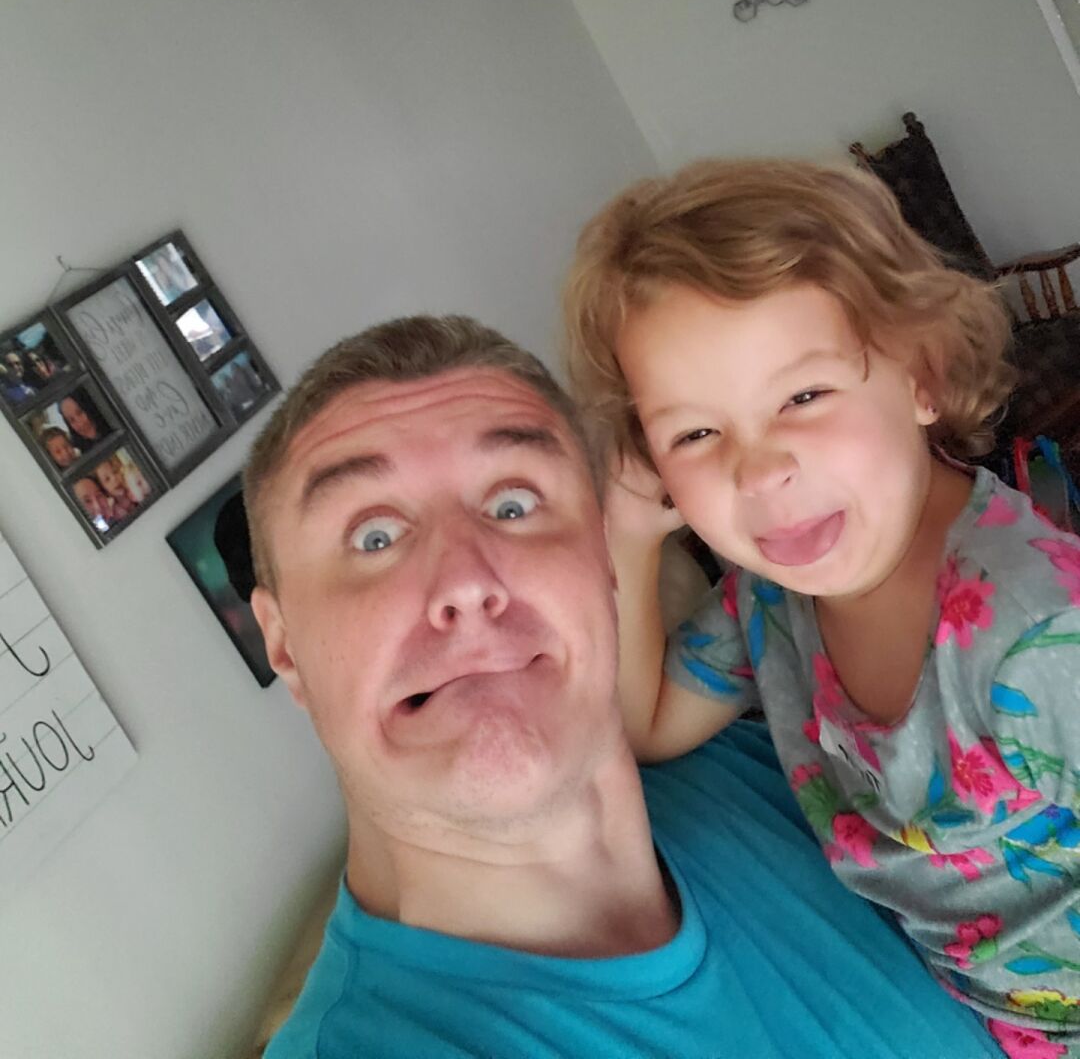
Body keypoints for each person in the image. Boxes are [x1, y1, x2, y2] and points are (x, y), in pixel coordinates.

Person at [245, 313, 998, 1059]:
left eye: (513, 505)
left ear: (606, 562)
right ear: (285, 646)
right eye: (374, 537)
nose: (466, 583)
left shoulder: (798, 775)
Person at [563, 158, 1080, 1058]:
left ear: (920, 377)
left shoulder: (1038, 635)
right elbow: (644, 724)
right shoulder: (770, 598)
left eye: (803, 396)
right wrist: (630, 534)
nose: (759, 469)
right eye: (695, 433)